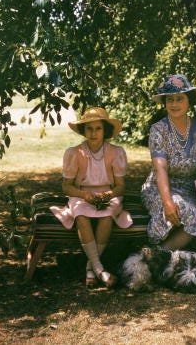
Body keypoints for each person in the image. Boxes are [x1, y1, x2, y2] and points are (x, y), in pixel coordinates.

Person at [50, 107, 133, 288]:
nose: (94, 133)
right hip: (81, 194)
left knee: (107, 215)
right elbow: (66, 186)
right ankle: (99, 269)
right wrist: (84, 195)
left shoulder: (116, 152)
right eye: (89, 129)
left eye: (98, 128)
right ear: (83, 131)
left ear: (106, 130)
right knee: (80, 214)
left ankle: (91, 268)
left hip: (108, 195)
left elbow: (120, 187)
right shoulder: (74, 153)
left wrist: (108, 194)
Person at [141, 74, 196, 252]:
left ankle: (158, 255)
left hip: (192, 189)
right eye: (170, 99)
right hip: (160, 186)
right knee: (186, 210)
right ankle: (157, 255)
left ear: (189, 101)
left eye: (180, 99)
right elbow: (160, 168)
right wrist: (167, 201)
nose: (174, 104)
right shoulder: (158, 129)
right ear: (164, 102)